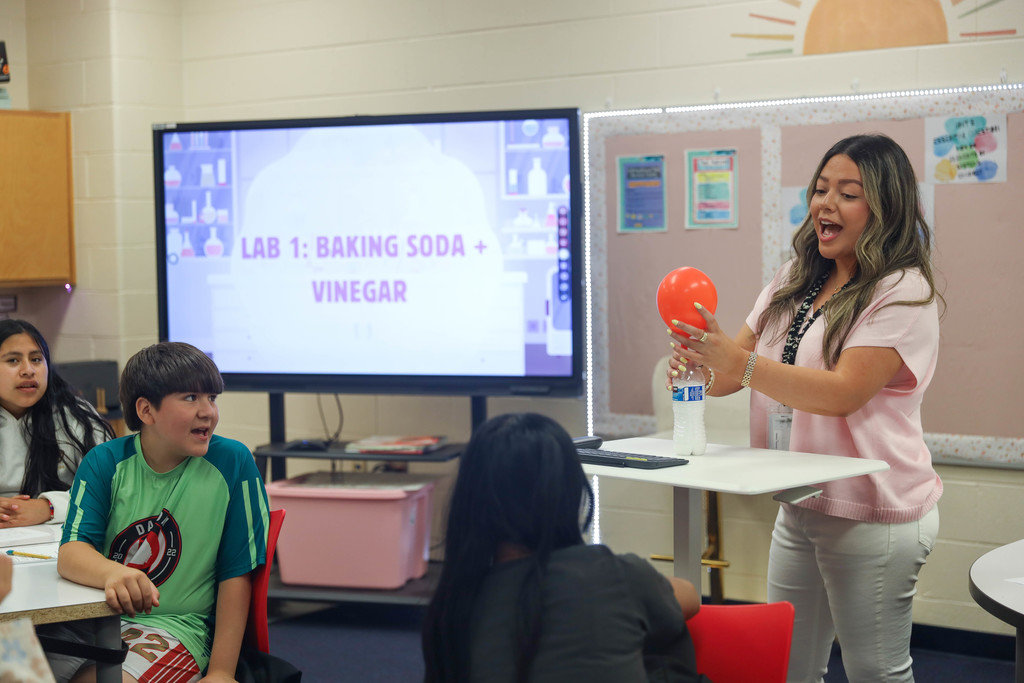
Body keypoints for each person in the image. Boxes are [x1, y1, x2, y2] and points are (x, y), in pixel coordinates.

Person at [667, 133, 942, 682]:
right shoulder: (793, 278)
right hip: (800, 501)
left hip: (872, 509)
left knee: (874, 672)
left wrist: (737, 364)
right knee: (786, 667)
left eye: (848, 193)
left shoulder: (903, 291)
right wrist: (699, 362)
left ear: (885, 208)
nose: (825, 205)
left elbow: (843, 392)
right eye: (820, 189)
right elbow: (731, 372)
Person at [422, 412, 704, 683]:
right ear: (569, 492)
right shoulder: (611, 574)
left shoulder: (452, 608)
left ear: (471, 501)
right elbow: (690, 596)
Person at [51, 341, 269, 683]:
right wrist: (113, 573)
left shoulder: (232, 462)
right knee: (14, 661)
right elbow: (72, 553)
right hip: (94, 620)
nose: (207, 411)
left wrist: (222, 671)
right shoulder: (105, 461)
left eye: (212, 398)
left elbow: (237, 575)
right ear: (146, 410)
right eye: (190, 398)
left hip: (176, 627)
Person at [0, 319, 115, 528]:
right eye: (13, 361)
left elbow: (111, 487)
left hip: (59, 537)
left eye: (36, 359)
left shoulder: (75, 416)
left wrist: (49, 507)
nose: (28, 370)